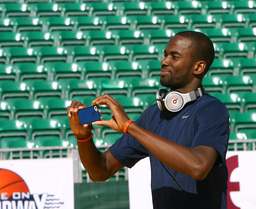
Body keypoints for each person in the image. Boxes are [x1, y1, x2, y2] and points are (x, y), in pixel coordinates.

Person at [67, 31, 229, 209]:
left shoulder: (212, 109)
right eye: (166, 55)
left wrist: (130, 126)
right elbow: (100, 171)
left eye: (175, 57)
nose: (164, 61)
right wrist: (83, 138)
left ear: (198, 67)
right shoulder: (154, 114)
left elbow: (199, 166)